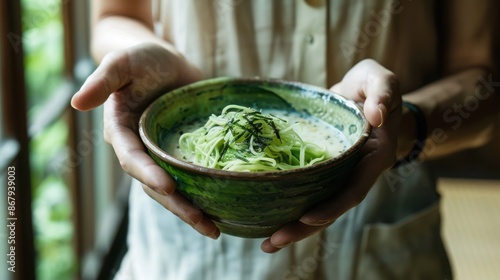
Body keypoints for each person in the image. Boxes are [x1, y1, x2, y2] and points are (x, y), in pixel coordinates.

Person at [71, 0, 499, 279]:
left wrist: (399, 125)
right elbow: (115, 16)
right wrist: (145, 58)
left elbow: (481, 77)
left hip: (383, 248)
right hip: (182, 251)